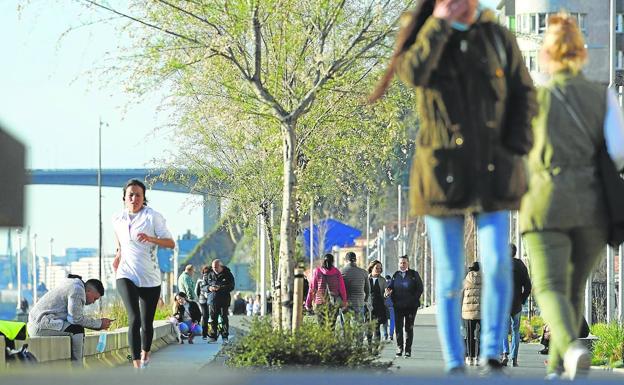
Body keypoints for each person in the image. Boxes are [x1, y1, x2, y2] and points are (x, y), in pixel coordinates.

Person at [369, 0, 537, 374]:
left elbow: (524, 92)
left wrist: (516, 144)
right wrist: (438, 26)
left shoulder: (496, 36)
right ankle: (454, 363)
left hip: (493, 171)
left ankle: (492, 353)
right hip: (442, 173)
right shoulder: (428, 32)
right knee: (449, 274)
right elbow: (411, 72)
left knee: (496, 265)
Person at [519, 12, 624, 380]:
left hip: (546, 203)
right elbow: (620, 153)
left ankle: (571, 345)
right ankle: (557, 366)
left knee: (549, 286)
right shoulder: (603, 95)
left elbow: (515, 148)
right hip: (593, 206)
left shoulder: (534, 98)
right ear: (581, 53)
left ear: (545, 55)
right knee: (574, 286)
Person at [112, 178, 175, 368]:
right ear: (124, 197)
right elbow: (120, 238)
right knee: (134, 318)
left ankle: (145, 353)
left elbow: (170, 243)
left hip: (150, 277)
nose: (134, 198)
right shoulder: (117, 218)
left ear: (144, 198)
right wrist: (119, 253)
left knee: (147, 324)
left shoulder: (152, 217)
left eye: (138, 195)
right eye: (130, 195)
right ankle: (136, 364)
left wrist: (151, 238)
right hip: (126, 273)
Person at [27, 275, 112, 363]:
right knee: (77, 330)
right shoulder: (77, 290)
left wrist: (98, 325)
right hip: (41, 325)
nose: (93, 302)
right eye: (94, 298)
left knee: (74, 327)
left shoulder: (72, 283)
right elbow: (75, 319)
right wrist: (99, 323)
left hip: (36, 323)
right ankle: (77, 368)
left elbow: (72, 318)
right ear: (88, 291)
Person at [385, 256, 424, 359]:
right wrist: (388, 291)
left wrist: (413, 300)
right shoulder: (396, 275)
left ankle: (408, 350)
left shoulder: (413, 274)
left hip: (411, 307)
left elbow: (420, 288)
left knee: (408, 328)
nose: (402, 265)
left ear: (408, 263)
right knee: (398, 328)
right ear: (399, 264)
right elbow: (391, 287)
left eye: (404, 263)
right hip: (398, 306)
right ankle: (399, 348)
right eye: (401, 263)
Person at [501, 243, 532, 367]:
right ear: (515, 252)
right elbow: (528, 286)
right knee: (515, 331)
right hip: (516, 303)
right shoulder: (521, 265)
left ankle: (504, 354)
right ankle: (514, 358)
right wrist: (522, 299)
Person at [305, 253, 348, 328]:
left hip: (320, 303)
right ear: (333, 261)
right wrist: (344, 302)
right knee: (331, 328)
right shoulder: (337, 272)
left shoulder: (317, 271)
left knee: (322, 328)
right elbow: (342, 289)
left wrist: (308, 304)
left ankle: (323, 340)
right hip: (333, 303)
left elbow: (312, 289)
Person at [206, 259, 235, 343]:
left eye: (216, 267)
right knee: (213, 319)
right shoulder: (209, 274)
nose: (214, 269)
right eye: (213, 267)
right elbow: (204, 286)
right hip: (212, 300)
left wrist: (220, 288)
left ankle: (225, 336)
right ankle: (213, 336)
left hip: (224, 300)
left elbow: (232, 286)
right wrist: (209, 288)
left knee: (223, 318)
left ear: (221, 266)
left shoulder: (228, 274)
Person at [461, 261, 482, 366]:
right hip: (482, 312)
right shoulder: (485, 280)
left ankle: (470, 357)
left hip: (468, 312)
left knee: (469, 335)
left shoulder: (466, 281)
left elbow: (461, 296)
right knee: (480, 335)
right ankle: (478, 357)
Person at [341, 252, 370, 323]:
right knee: (359, 326)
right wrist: (365, 300)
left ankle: (346, 334)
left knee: (345, 326)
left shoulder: (341, 272)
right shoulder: (363, 272)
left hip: (345, 303)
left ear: (346, 260)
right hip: (359, 302)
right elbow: (368, 290)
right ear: (355, 260)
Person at [367, 260, 388, 341]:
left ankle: (376, 351)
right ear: (371, 268)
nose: (379, 269)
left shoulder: (382, 280)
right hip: (368, 307)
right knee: (368, 328)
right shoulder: (366, 278)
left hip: (379, 306)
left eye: (380, 268)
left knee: (376, 328)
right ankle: (369, 348)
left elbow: (385, 293)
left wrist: (386, 294)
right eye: (377, 268)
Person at [195, 265, 212, 339]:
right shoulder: (211, 279)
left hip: (202, 300)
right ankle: (213, 332)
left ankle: (204, 335)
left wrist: (199, 297)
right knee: (213, 315)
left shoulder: (199, 281)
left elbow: (196, 291)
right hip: (210, 299)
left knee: (205, 317)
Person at [385, 274, 395, 341]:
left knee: (385, 321)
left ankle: (385, 335)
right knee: (392, 321)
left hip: (385, 305)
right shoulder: (394, 285)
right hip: (392, 305)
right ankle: (391, 335)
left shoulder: (383, 284)